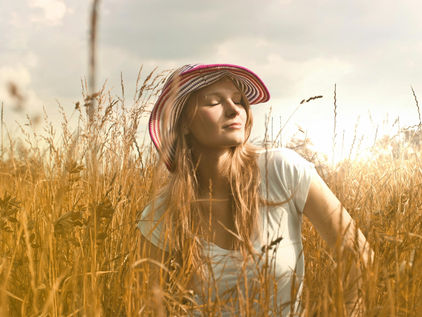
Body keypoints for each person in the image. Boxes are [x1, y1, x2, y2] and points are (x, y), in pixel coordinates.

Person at [138, 64, 373, 316]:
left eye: (239, 100)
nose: (233, 110)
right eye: (214, 102)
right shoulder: (161, 213)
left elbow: (359, 255)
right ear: (183, 123)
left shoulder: (283, 170)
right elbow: (151, 307)